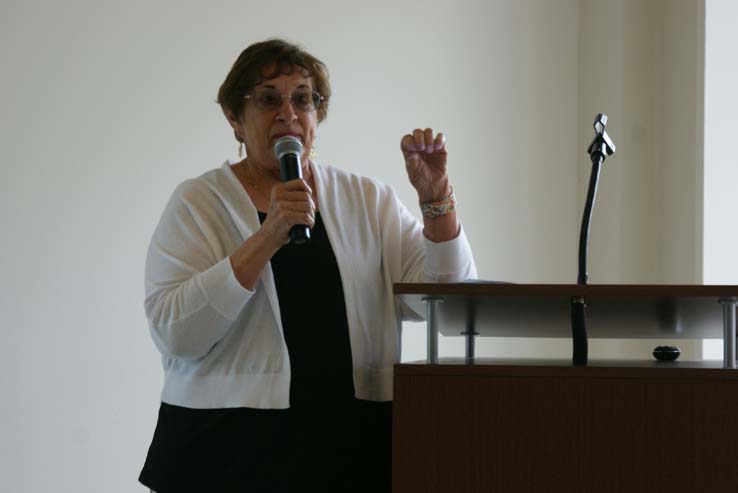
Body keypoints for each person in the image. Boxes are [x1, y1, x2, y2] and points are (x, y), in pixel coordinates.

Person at [138, 38, 476, 493]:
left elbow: (449, 307)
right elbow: (177, 333)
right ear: (235, 119)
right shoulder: (199, 203)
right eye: (268, 99)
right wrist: (268, 235)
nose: (288, 113)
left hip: (352, 447)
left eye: (302, 98)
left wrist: (437, 200)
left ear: (318, 115)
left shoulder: (367, 199)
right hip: (226, 450)